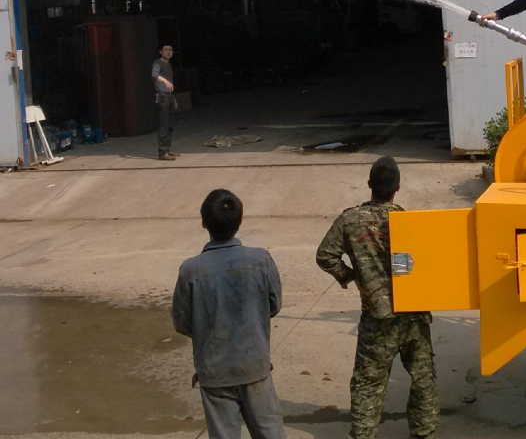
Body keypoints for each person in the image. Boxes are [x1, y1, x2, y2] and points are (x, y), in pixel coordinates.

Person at [316, 156, 438, 439]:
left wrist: (351, 276)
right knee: (423, 379)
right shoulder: (407, 220)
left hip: (376, 317)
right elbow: (423, 266)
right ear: (397, 187)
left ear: (369, 185)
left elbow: (325, 256)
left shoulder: (349, 220)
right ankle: (424, 432)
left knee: (368, 383)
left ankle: (364, 434)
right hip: (412, 316)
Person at [172, 189, 286, 439]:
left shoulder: (190, 270)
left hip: (215, 371)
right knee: (270, 433)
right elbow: (274, 305)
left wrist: (208, 329)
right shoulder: (261, 259)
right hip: (254, 364)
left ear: (204, 223)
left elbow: (182, 322)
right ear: (240, 221)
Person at [152, 44, 178, 160]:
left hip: (169, 96)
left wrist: (174, 98)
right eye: (166, 50)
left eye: (171, 50)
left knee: (170, 125)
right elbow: (154, 75)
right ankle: (162, 153)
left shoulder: (168, 64)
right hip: (162, 97)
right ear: (160, 52)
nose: (169, 52)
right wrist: (165, 82)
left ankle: (167, 150)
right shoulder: (158, 63)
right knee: (164, 125)